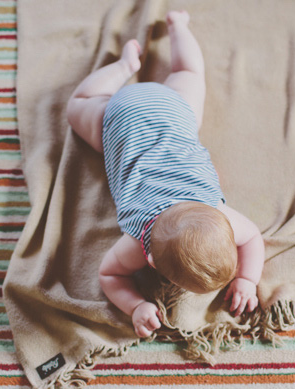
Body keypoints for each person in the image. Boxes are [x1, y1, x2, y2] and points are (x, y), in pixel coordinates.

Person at [66, 11, 265, 338]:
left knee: (188, 72)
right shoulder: (135, 241)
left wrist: (246, 278)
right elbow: (109, 277)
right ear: (152, 262)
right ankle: (137, 59)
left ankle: (156, 43)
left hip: (170, 111)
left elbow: (252, 237)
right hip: (119, 119)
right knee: (80, 105)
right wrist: (134, 305)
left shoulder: (218, 212)